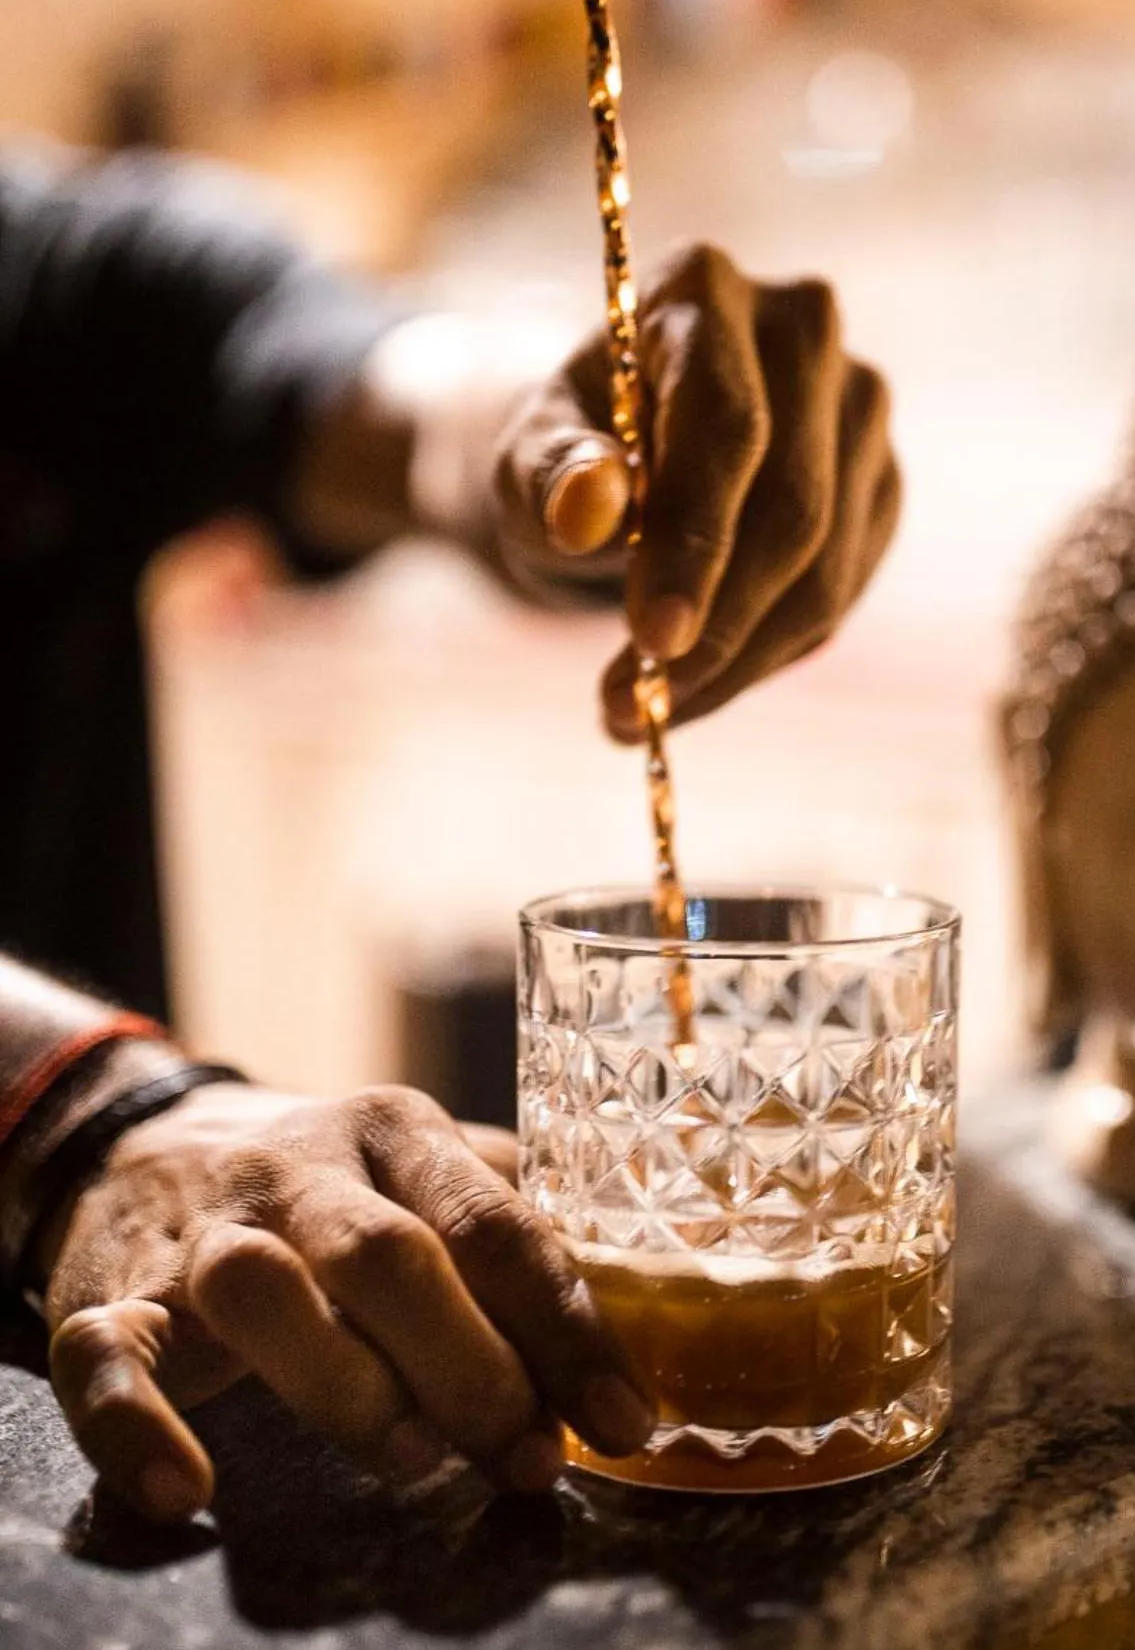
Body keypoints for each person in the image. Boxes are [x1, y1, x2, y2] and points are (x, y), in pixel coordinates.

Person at [0, 141, 900, 1521]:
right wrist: (73, 1111)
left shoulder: (52, 267)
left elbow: (360, 379)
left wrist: (566, 445)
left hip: (141, 1370)